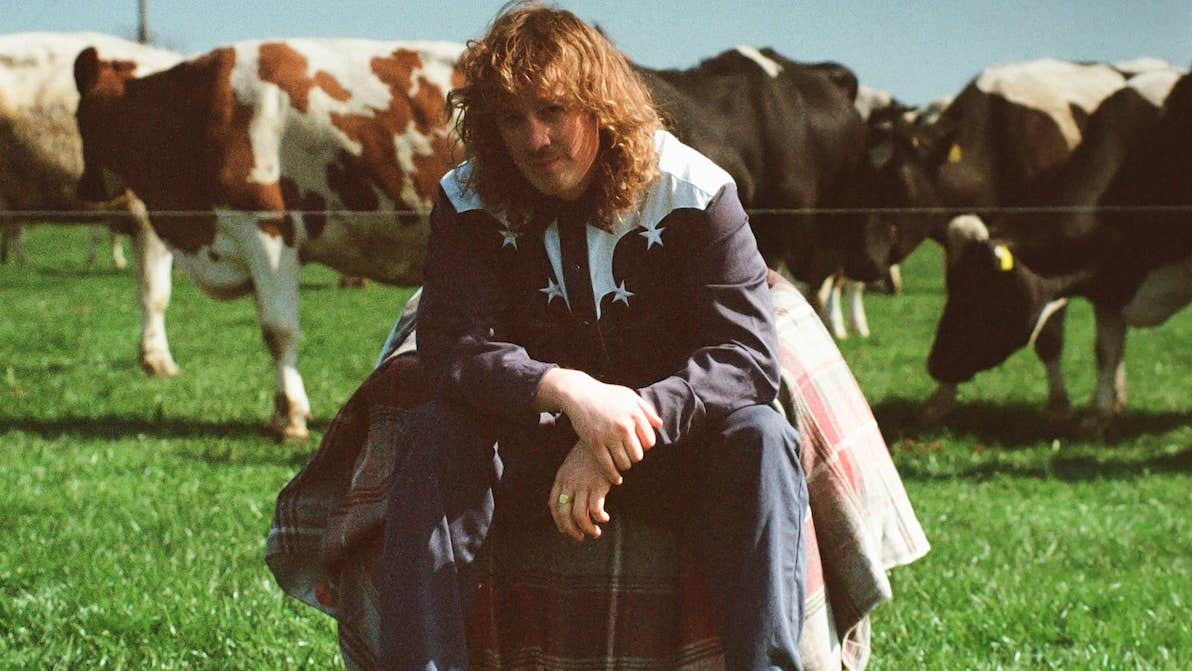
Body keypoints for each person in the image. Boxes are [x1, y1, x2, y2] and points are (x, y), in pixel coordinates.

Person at [378, 2, 808, 669]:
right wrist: (568, 391)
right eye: (511, 118)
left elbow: (746, 357)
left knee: (762, 436)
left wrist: (616, 435)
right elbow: (451, 345)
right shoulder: (467, 198)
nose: (534, 140)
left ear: (600, 104)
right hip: (530, 447)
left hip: (677, 451)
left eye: (552, 110)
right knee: (435, 431)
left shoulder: (694, 190)